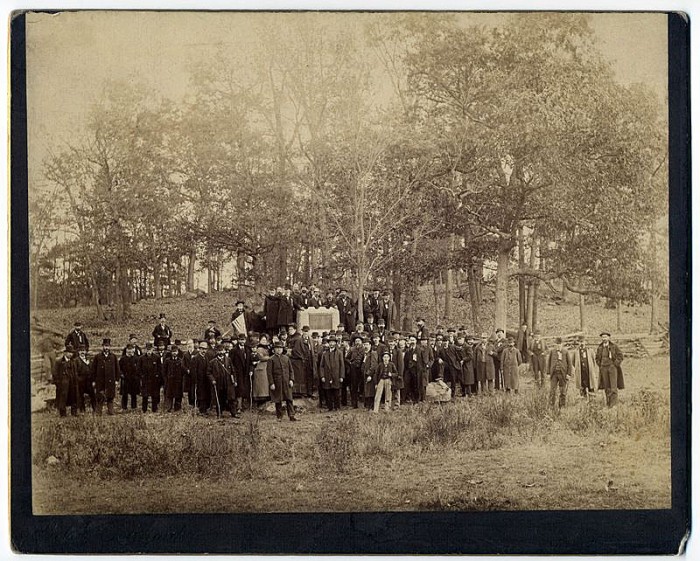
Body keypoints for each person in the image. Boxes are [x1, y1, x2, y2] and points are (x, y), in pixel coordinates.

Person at [267, 341, 297, 421]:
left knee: (289, 399)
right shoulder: (271, 359)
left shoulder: (286, 358)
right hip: (277, 382)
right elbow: (269, 373)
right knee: (278, 399)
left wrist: (291, 379)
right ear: (274, 350)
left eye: (280, 348)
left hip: (286, 382)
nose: (279, 350)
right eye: (277, 348)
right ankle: (279, 416)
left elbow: (291, 370)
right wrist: (271, 383)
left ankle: (291, 415)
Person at [91, 338, 120, 415]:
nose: (106, 348)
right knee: (100, 396)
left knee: (110, 397)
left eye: (108, 346)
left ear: (110, 347)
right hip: (100, 380)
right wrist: (93, 380)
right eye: (105, 346)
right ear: (102, 346)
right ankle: (98, 412)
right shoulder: (98, 357)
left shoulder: (113, 357)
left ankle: (110, 411)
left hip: (110, 381)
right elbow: (93, 370)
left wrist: (117, 380)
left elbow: (117, 369)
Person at [595, 331, 624, 407]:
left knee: (613, 387)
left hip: (612, 368)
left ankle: (614, 405)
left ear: (609, 338)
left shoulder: (614, 346)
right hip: (603, 369)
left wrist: (615, 364)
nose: (604, 338)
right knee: (606, 387)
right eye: (603, 337)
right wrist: (600, 365)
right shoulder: (600, 347)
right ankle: (608, 404)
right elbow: (597, 358)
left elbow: (620, 356)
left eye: (605, 337)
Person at [207, 344, 236, 417]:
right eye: (219, 350)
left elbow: (233, 371)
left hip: (228, 383)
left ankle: (234, 413)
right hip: (219, 383)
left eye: (222, 350)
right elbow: (208, 373)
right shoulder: (212, 362)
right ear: (217, 351)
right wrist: (212, 380)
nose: (221, 352)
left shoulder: (228, 360)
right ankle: (219, 413)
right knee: (219, 399)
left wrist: (234, 381)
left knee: (231, 399)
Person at [319, 335, 345, 411]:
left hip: (336, 375)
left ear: (335, 343)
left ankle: (337, 407)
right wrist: (322, 376)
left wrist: (341, 376)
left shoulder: (339, 353)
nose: (331, 344)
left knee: (336, 392)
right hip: (327, 375)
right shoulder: (324, 354)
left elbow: (342, 365)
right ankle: (330, 407)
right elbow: (321, 366)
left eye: (333, 342)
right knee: (328, 392)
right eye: (330, 342)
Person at [53, 344, 79, 417]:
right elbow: (55, 373)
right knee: (62, 398)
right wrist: (58, 383)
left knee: (74, 397)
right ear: (65, 353)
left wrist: (75, 381)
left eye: (72, 353)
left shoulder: (73, 362)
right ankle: (63, 414)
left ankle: (74, 413)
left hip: (72, 383)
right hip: (63, 384)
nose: (71, 354)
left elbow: (75, 372)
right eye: (69, 352)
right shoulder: (59, 362)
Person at [547, 337, 573, 409]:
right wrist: (548, 373)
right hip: (554, 374)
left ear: (562, 344)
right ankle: (551, 406)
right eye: (557, 344)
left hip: (562, 374)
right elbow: (549, 362)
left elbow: (569, 364)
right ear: (555, 344)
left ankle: (562, 406)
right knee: (552, 391)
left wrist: (568, 374)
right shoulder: (552, 351)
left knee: (562, 391)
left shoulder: (565, 352)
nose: (558, 345)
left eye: (559, 344)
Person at [230, 334, 252, 415]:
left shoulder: (248, 349)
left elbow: (250, 362)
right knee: (239, 390)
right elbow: (231, 362)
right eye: (240, 339)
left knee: (246, 389)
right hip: (238, 373)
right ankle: (238, 407)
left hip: (246, 373)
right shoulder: (234, 350)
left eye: (243, 340)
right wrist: (233, 372)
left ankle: (244, 406)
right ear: (238, 340)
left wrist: (250, 370)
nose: (242, 341)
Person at [139, 342, 162, 413]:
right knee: (145, 396)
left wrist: (157, 376)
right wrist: (142, 376)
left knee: (154, 395)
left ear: (152, 349)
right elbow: (138, 369)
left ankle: (154, 409)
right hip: (145, 379)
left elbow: (159, 368)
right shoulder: (141, 358)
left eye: (150, 350)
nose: (148, 351)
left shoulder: (156, 358)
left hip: (154, 380)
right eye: (147, 350)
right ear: (145, 350)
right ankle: (144, 410)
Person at [190, 340, 211, 414]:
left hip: (205, 380)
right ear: (199, 349)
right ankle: (201, 410)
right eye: (202, 349)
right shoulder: (195, 358)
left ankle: (205, 409)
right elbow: (193, 371)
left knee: (205, 394)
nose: (203, 351)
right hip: (199, 380)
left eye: (205, 349)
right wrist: (195, 381)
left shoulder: (206, 358)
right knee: (200, 395)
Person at [73, 344, 96, 413]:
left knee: (92, 395)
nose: (82, 352)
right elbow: (75, 372)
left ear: (86, 352)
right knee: (80, 396)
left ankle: (95, 409)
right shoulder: (76, 360)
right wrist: (78, 379)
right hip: (81, 381)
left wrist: (93, 380)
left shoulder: (89, 359)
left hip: (89, 380)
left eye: (83, 351)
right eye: (81, 351)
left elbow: (93, 370)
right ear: (78, 352)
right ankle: (82, 410)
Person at [164, 343, 185, 412]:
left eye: (175, 352)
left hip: (178, 381)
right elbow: (164, 371)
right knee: (169, 394)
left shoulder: (180, 361)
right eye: (173, 352)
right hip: (170, 380)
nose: (174, 353)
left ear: (178, 352)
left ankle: (177, 408)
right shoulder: (167, 361)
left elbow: (183, 371)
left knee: (178, 394)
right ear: (171, 352)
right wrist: (166, 379)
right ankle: (168, 408)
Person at [118, 344, 140, 411]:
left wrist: (137, 376)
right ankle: (124, 407)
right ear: (126, 351)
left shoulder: (136, 358)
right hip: (125, 378)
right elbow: (119, 368)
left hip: (134, 379)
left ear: (133, 351)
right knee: (125, 394)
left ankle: (134, 407)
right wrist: (121, 374)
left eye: (131, 351)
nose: (130, 353)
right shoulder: (122, 359)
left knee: (134, 394)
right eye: (129, 351)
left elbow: (139, 368)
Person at [252, 335, 272, 405]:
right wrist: (269, 357)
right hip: (261, 367)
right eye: (262, 340)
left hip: (266, 366)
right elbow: (261, 358)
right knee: (262, 383)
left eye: (265, 340)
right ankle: (261, 397)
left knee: (266, 382)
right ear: (260, 340)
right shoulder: (259, 348)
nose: (264, 341)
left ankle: (265, 396)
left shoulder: (267, 348)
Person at [360, 338, 379, 409]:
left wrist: (369, 375)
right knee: (366, 390)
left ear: (370, 345)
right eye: (364, 344)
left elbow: (374, 365)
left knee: (370, 391)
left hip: (370, 375)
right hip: (365, 375)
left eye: (367, 344)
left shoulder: (373, 353)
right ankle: (367, 406)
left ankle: (371, 406)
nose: (365, 346)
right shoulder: (365, 354)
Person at [416, 334, 433, 402]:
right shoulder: (418, 348)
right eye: (422, 340)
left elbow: (432, 359)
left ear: (427, 341)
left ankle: (424, 398)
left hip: (425, 369)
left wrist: (428, 365)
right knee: (419, 383)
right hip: (419, 368)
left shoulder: (429, 348)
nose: (423, 342)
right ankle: (419, 397)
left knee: (424, 383)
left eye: (425, 340)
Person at [391, 337, 407, 408]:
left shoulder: (398, 351)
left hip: (396, 372)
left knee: (397, 388)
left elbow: (401, 364)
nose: (391, 344)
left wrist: (400, 374)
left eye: (392, 342)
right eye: (390, 342)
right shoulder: (386, 350)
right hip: (389, 372)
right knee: (390, 388)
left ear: (395, 343)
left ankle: (397, 404)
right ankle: (390, 403)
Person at [403, 335, 418, 403]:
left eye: (413, 340)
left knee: (415, 384)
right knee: (406, 383)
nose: (412, 342)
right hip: (408, 370)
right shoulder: (408, 350)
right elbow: (405, 361)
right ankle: (406, 398)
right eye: (411, 340)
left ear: (416, 341)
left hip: (416, 370)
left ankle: (416, 399)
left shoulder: (419, 350)